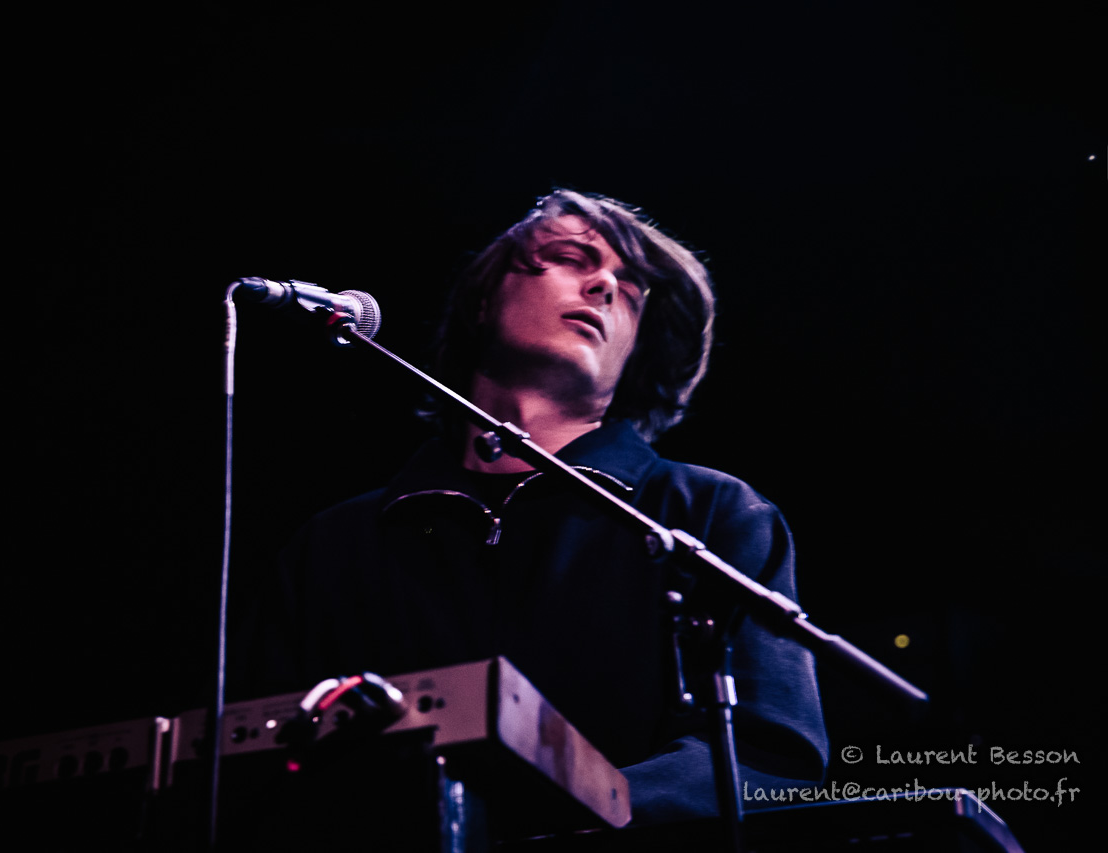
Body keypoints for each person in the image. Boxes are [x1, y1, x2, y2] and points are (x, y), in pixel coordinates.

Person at [235, 189, 828, 830]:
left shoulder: (712, 514)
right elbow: (254, 781)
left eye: (631, 291)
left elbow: (770, 759)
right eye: (571, 258)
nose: (605, 285)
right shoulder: (335, 546)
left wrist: (571, 811)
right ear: (483, 300)